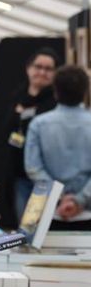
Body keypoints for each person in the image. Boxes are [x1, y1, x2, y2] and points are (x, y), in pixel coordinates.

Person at [25, 65, 91, 230]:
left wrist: (59, 197)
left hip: (48, 212)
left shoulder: (38, 124)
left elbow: (33, 168)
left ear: (55, 90)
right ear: (85, 91)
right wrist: (79, 200)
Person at [6, 48, 58, 222]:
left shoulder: (56, 102)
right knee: (24, 226)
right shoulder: (16, 96)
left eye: (48, 69)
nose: (42, 72)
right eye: (38, 67)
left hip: (46, 176)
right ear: (29, 68)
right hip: (19, 174)